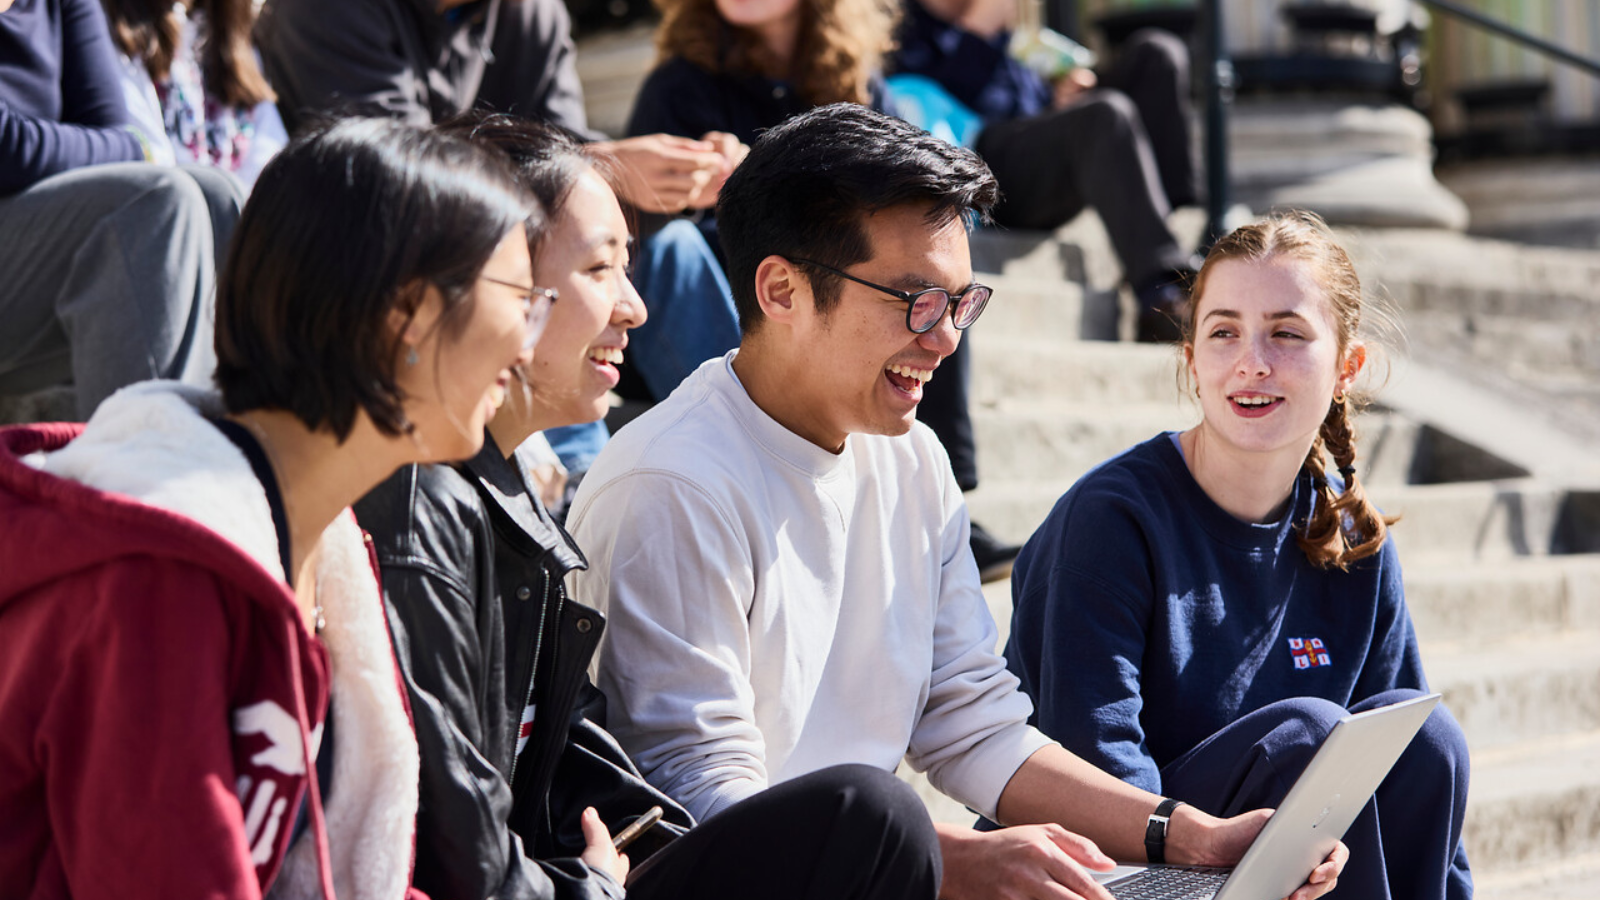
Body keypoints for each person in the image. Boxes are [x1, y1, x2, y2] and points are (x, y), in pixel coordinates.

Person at [568, 104, 1346, 900]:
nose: (944, 340)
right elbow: (702, 806)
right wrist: (946, 864)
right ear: (782, 290)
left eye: (960, 303)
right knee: (884, 806)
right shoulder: (670, 485)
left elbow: (973, 723)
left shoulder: (912, 458)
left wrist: (1188, 835)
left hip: (876, 872)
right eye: (914, 302)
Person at [354, 114, 942, 900]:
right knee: (870, 816)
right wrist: (595, 887)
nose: (633, 307)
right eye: (601, 270)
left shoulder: (504, 493)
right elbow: (456, 852)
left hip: (575, 880)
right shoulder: (418, 509)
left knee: (863, 823)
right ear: (487, 279)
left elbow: (583, 775)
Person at [0, 117, 540, 898]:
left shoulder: (326, 538)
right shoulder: (160, 574)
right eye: (523, 298)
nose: (528, 343)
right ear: (410, 314)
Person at [1004, 211, 1473, 899]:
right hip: (1113, 864)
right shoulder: (1109, 521)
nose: (1252, 361)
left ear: (1347, 367)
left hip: (1277, 870)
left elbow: (1408, 759)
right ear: (1193, 361)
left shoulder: (1350, 529)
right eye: (1223, 332)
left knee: (1426, 734)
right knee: (1307, 738)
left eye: (1286, 333)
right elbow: (1093, 783)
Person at [255, 0, 749, 483]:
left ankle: (754, 439)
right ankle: (574, 474)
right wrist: (604, 163)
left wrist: (670, 181)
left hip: (524, 259)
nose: (633, 309)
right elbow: (401, 182)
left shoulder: (534, 12)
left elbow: (562, 161)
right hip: (390, 272)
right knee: (561, 263)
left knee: (669, 245)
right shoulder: (325, 10)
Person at [628, 0, 1020, 578]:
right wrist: (710, 189)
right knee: (677, 253)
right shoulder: (678, 84)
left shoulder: (860, 84)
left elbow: (915, 214)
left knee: (933, 291)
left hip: (828, 290)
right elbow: (636, 227)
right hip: (726, 288)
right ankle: (759, 443)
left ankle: (951, 502)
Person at [889, 0, 1198, 342]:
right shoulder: (898, 26)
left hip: (1037, 139)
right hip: (980, 162)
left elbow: (1025, 101)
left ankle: (1184, 230)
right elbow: (915, 99)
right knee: (1105, 116)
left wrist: (1059, 98)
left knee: (1157, 53)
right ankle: (1162, 294)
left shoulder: (1005, 32)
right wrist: (976, 30)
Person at [0, 0, 243, 419]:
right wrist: (130, 147)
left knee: (219, 197)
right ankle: (147, 469)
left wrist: (127, 147)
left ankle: (237, 456)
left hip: (36, 236)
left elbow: (115, 133)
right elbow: (8, 148)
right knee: (158, 203)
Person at [103, 0, 289, 188]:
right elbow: (150, 157)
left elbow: (272, 155)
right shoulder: (116, 35)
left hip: (242, 209)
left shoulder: (230, 36)